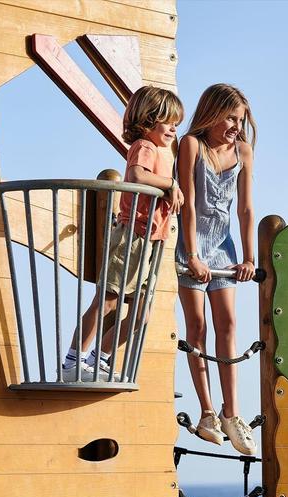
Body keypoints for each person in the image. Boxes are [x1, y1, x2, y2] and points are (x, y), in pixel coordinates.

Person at [62, 86, 184, 382]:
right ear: (148, 119)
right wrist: (169, 184)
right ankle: (72, 362)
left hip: (153, 241)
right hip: (132, 236)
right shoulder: (145, 146)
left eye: (176, 124)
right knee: (107, 301)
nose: (172, 129)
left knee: (140, 315)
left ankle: (99, 359)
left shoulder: (163, 152)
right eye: (168, 121)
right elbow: (136, 176)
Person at [176, 84, 258, 455]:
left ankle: (232, 413)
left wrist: (249, 258)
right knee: (198, 327)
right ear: (212, 113)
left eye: (240, 120)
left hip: (224, 249)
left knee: (228, 325)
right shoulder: (191, 145)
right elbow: (189, 205)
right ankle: (207, 411)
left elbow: (244, 209)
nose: (235, 127)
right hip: (191, 246)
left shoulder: (242, 151)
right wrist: (192, 254)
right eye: (229, 117)